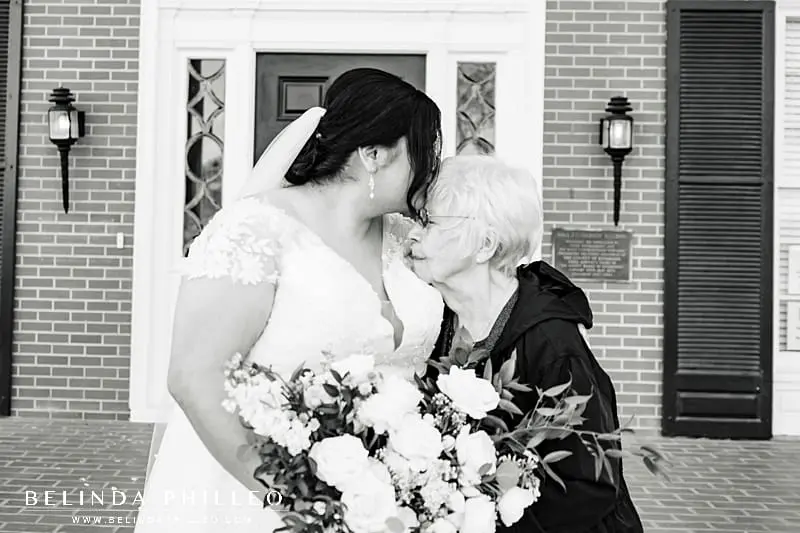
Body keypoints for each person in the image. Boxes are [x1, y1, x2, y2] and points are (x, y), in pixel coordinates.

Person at [135, 68, 445, 533]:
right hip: (260, 497)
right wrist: (292, 501)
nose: (431, 169)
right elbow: (193, 377)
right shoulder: (256, 230)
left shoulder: (405, 239)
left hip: (387, 499)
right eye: (423, 153)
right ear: (374, 154)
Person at [408, 155, 644, 533]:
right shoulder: (440, 321)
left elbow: (589, 484)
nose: (413, 234)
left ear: (484, 246)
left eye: (429, 222)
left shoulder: (552, 344)